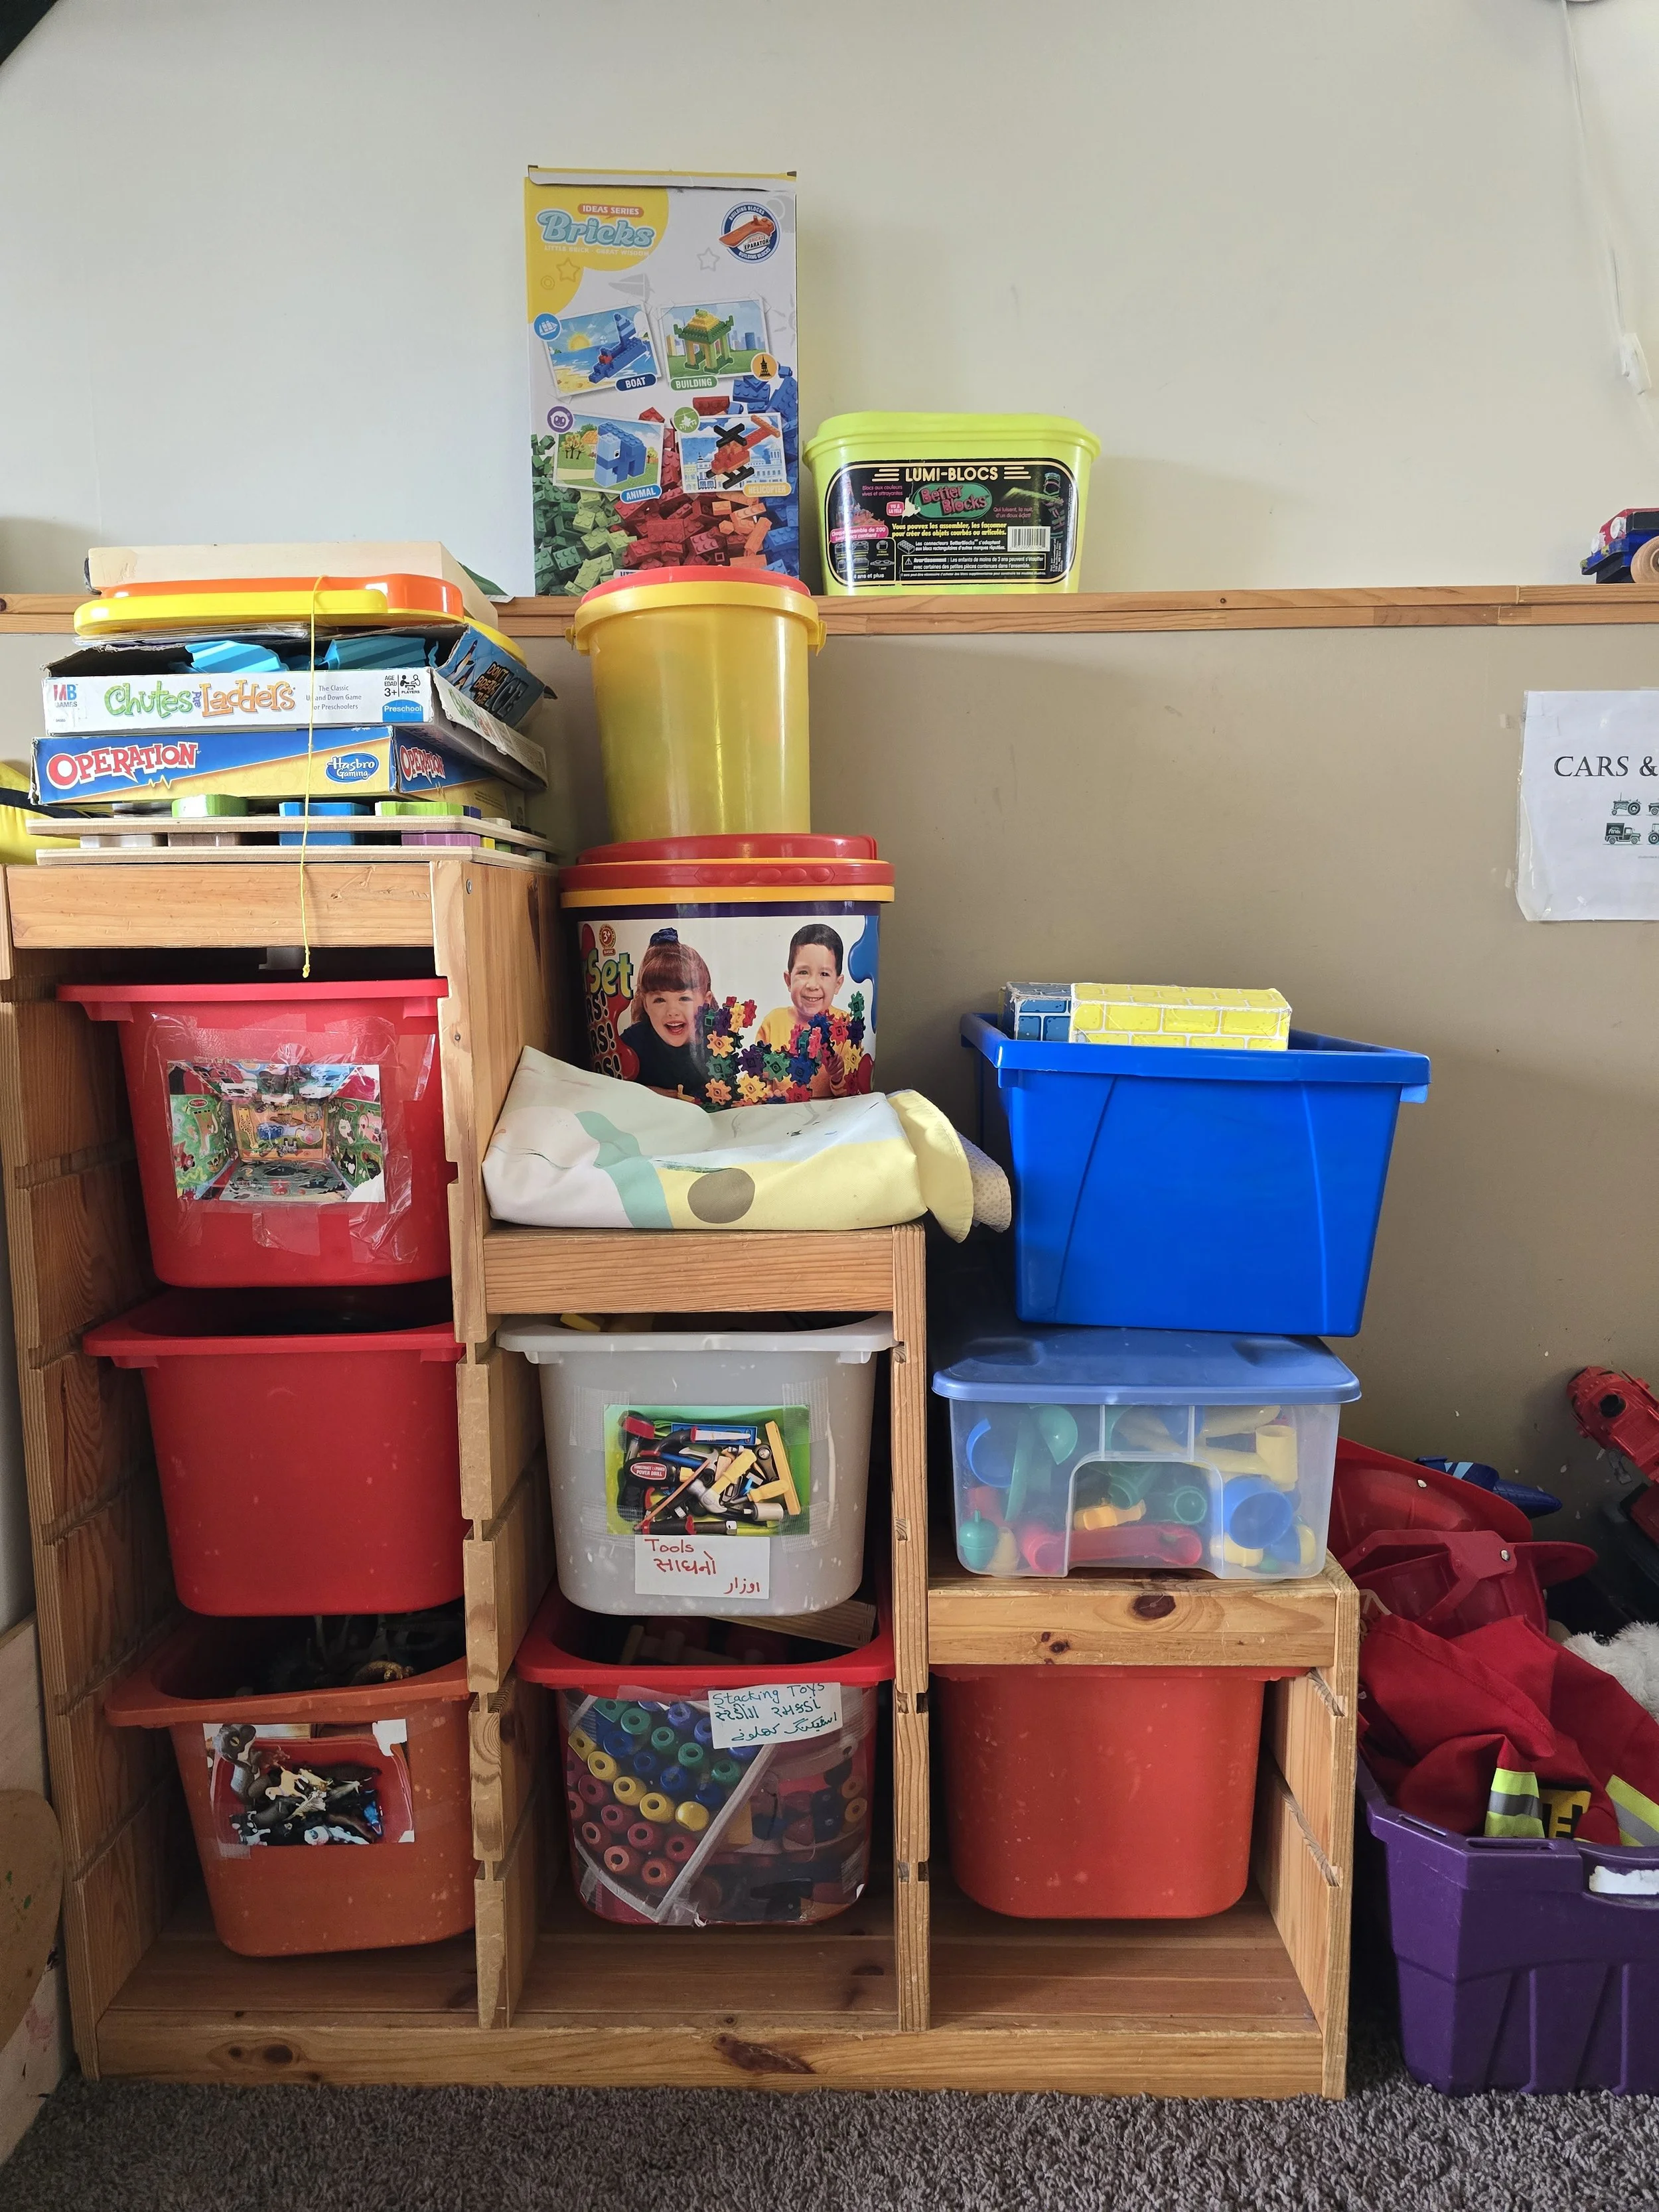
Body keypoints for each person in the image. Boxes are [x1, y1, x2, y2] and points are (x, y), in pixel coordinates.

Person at [620, 929, 713, 1101]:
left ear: (706, 1001)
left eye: (684, 998)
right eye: (659, 1000)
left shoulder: (718, 1041)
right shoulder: (635, 1041)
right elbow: (607, 1084)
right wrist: (647, 1093)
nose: (672, 1011)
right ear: (645, 1004)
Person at [758, 922, 849, 1098]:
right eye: (803, 972)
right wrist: (767, 1095)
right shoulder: (773, 1022)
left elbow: (852, 1096)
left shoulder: (845, 1026)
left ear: (838, 984)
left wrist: (837, 1077)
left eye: (824, 974)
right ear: (788, 980)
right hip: (782, 1117)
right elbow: (758, 1079)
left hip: (830, 1120)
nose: (812, 985)